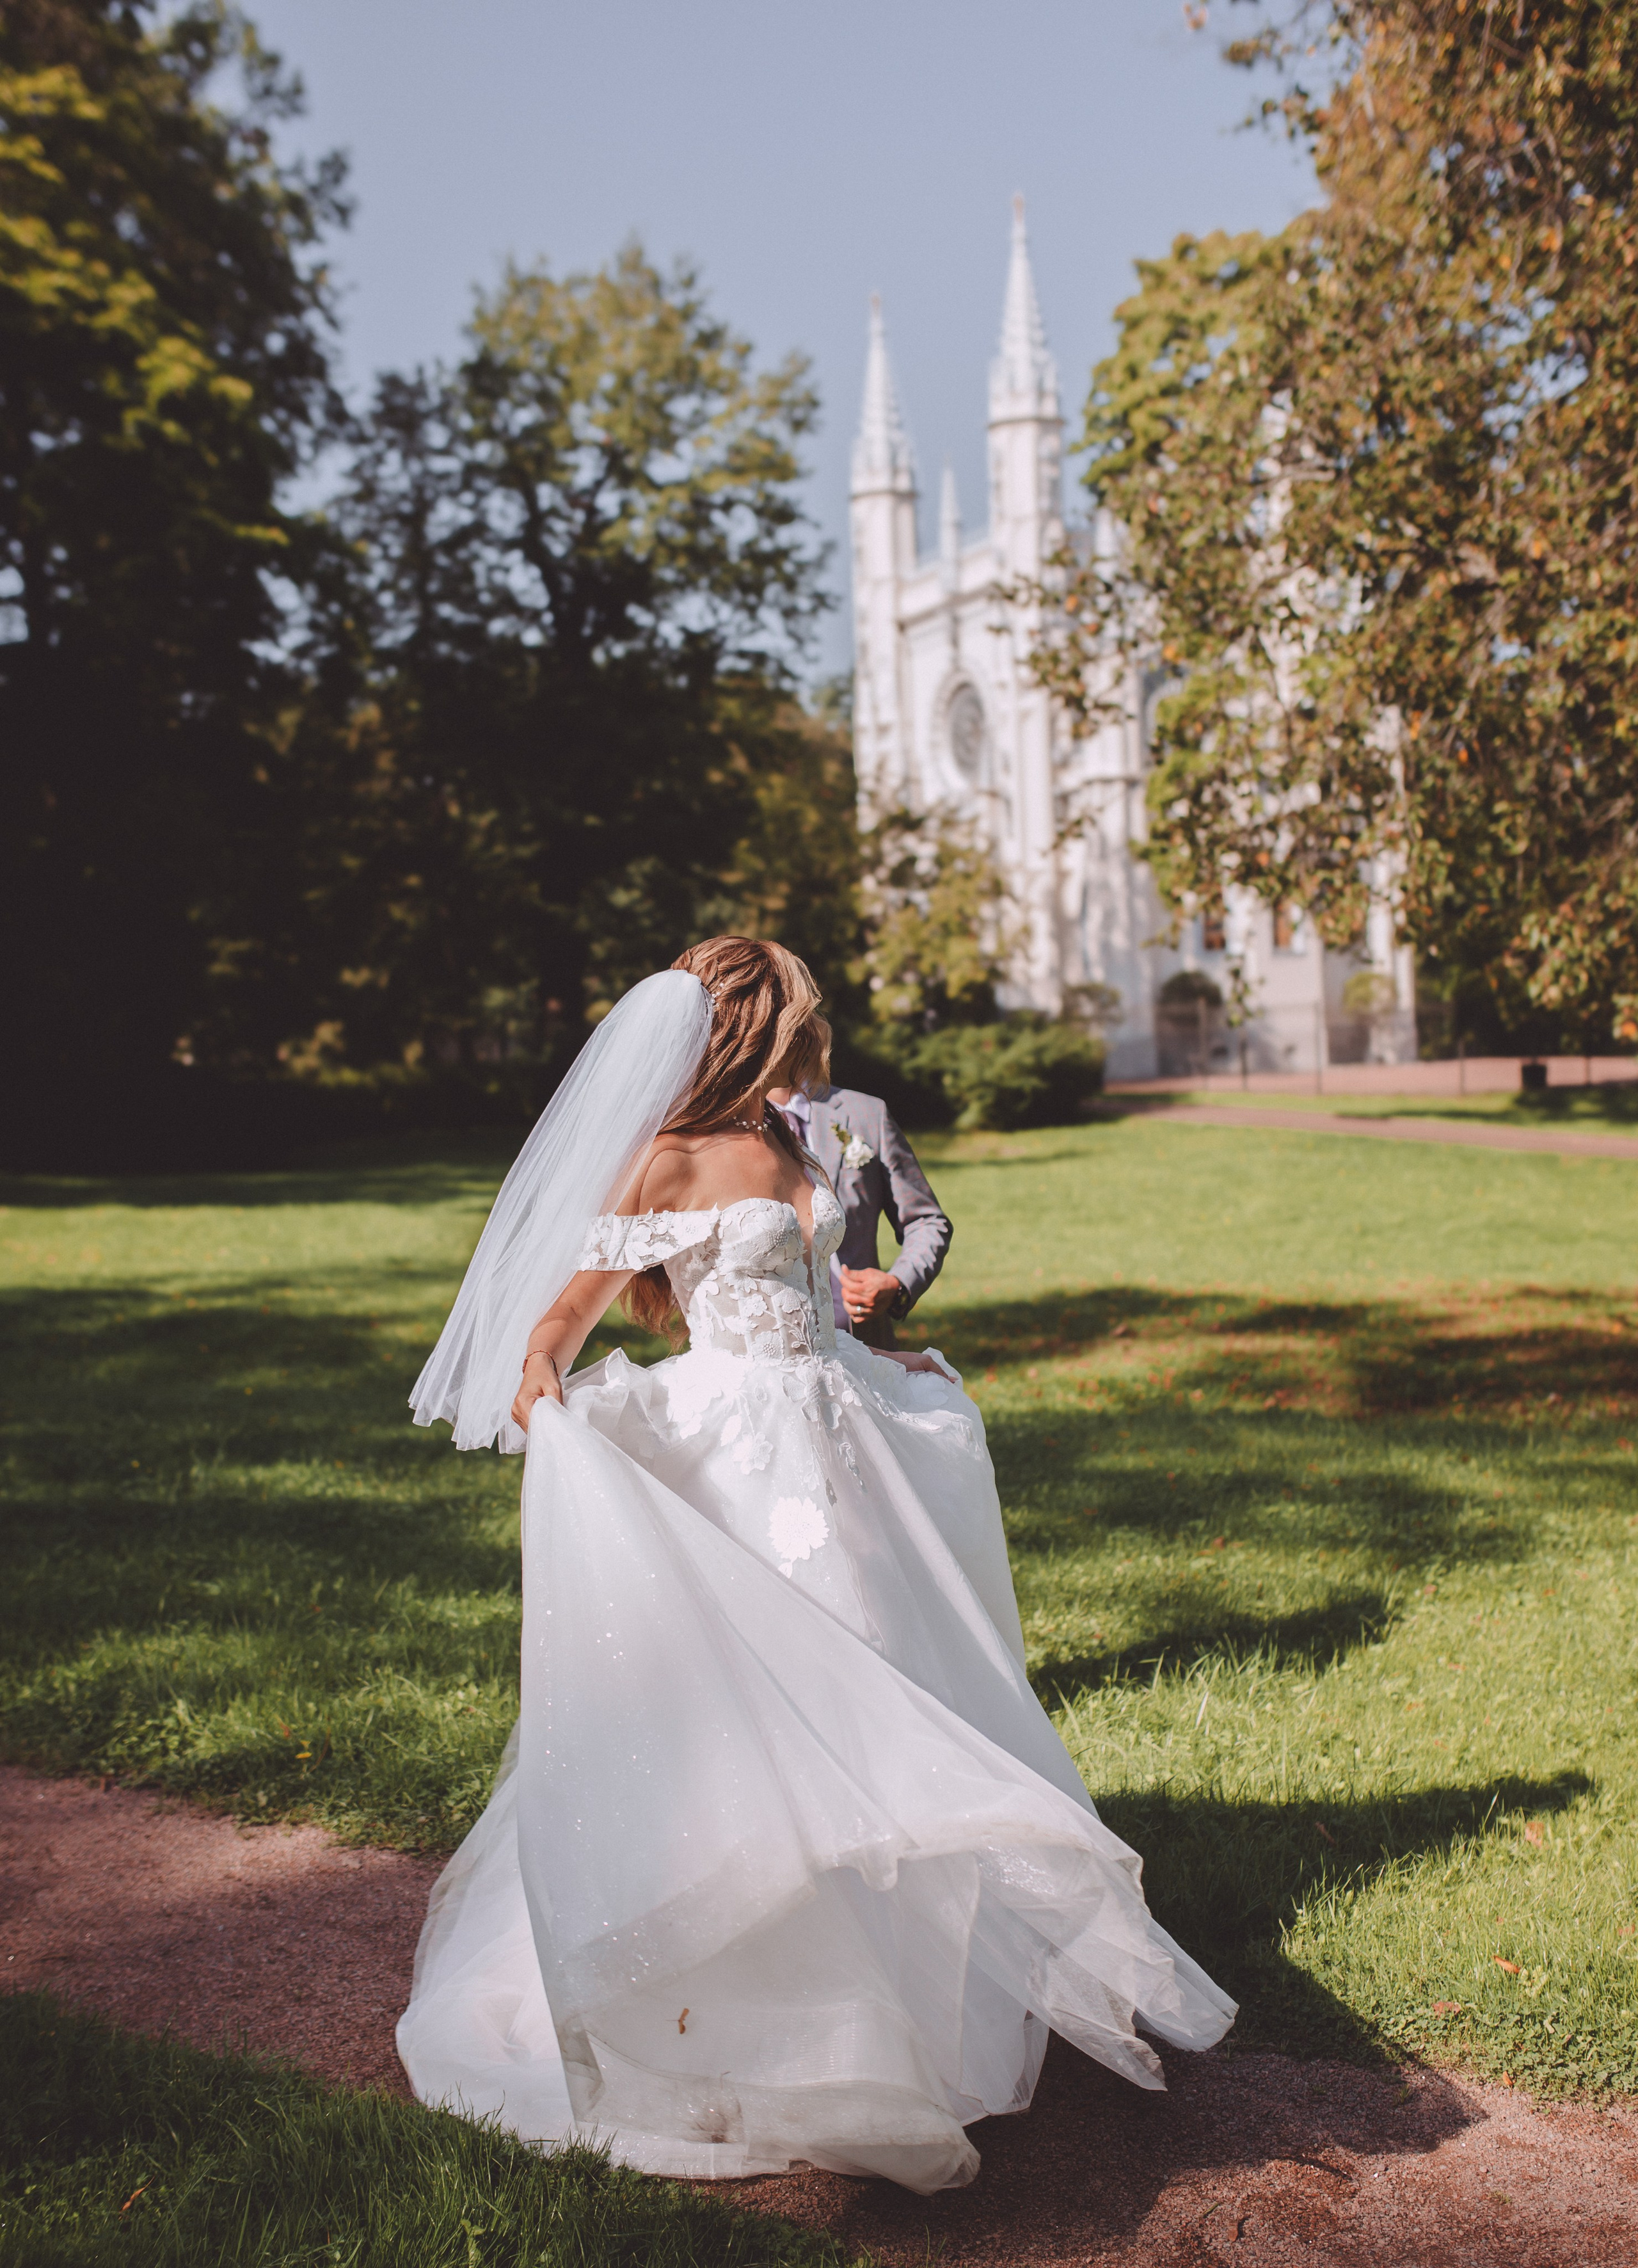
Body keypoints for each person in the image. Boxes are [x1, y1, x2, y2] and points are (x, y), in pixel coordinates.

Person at [399, 936, 1233, 2194]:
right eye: (798, 1006)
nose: (815, 1023)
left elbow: (815, 1310)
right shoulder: (667, 1154)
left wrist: (883, 1358)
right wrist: (549, 1412)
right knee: (765, 1735)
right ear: (743, 1022)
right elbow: (552, 1333)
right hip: (740, 1466)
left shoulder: (798, 1137)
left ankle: (894, 2019)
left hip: (837, 1450)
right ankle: (759, 2023)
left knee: (883, 1698)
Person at [766, 1067, 950, 1348]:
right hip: (769, 1341)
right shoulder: (722, 1126)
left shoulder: (867, 1113)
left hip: (864, 1340)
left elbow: (926, 1220)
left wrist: (898, 1282)